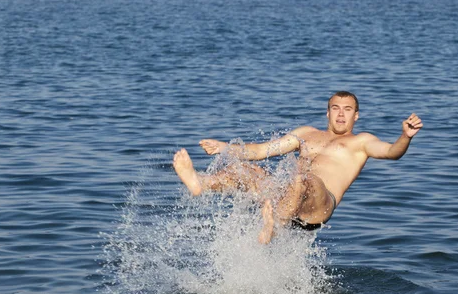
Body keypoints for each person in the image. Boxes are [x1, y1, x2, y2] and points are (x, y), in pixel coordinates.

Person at [173, 91, 423, 244]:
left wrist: (406, 137)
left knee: (303, 179)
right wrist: (225, 147)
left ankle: (274, 227)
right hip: (287, 198)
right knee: (250, 171)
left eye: (347, 110)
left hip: (317, 207)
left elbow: (392, 153)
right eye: (335, 108)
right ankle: (200, 184)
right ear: (327, 112)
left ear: (356, 116)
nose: (340, 114)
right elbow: (261, 151)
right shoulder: (306, 134)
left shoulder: (361, 142)